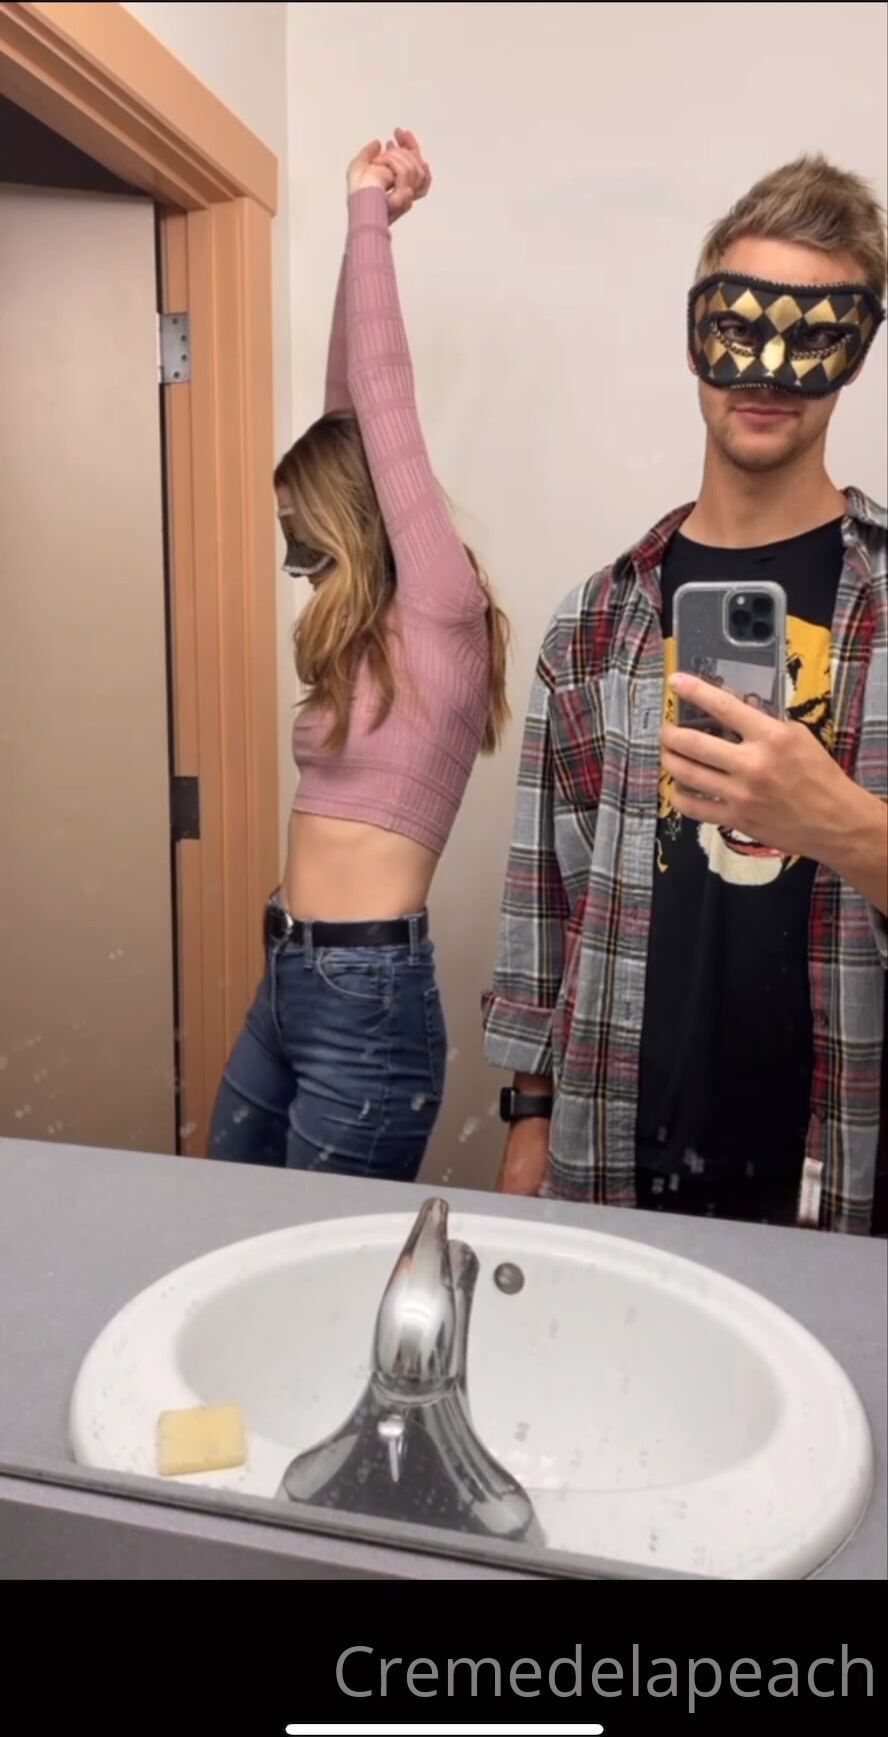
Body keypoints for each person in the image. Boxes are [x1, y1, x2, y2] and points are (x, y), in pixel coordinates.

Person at [484, 155, 887, 1233]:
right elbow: (544, 902)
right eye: (739, 327)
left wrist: (844, 827)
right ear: (694, 332)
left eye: (816, 336)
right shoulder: (592, 621)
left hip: (839, 1176)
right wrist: (528, 1114)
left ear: (856, 352)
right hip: (617, 1158)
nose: (768, 369)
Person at [210, 130, 509, 1180]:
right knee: (222, 1216)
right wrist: (369, 235)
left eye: (305, 535)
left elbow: (381, 401)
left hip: (366, 1001)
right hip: (288, 975)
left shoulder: (439, 609)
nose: (297, 559)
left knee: (317, 1258)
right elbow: (349, 408)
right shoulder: (375, 628)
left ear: (352, 522)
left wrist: (365, 206)